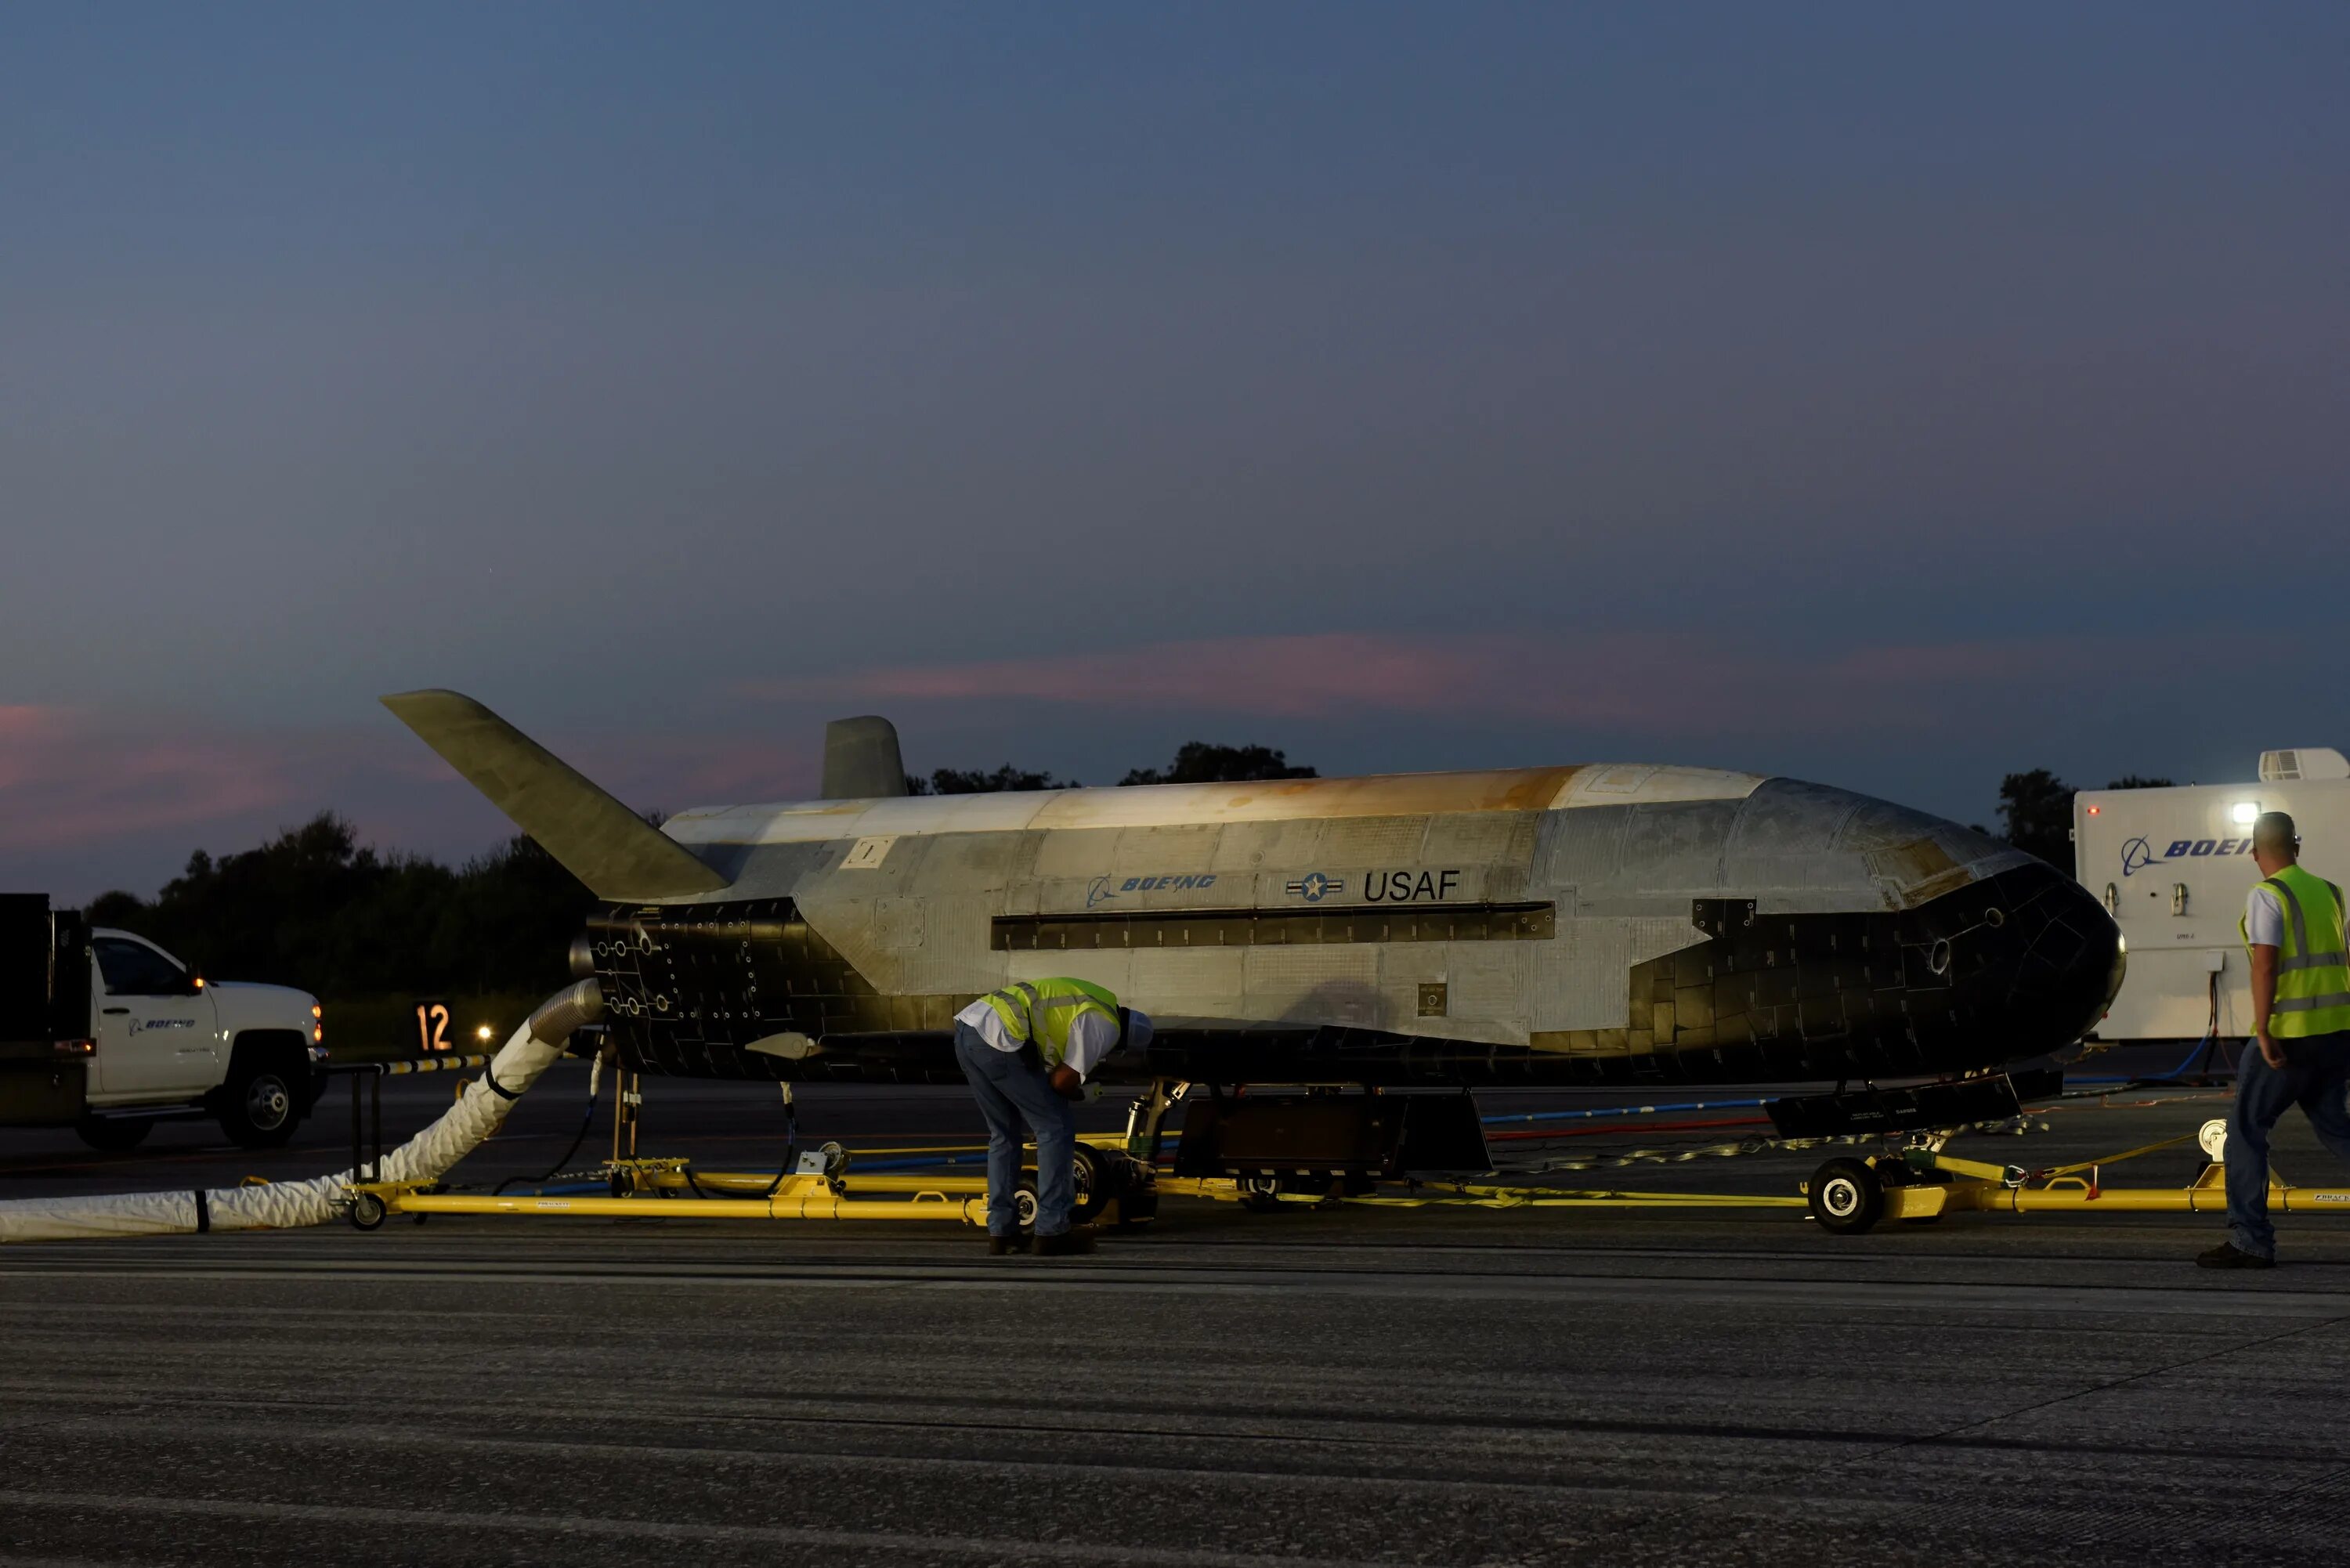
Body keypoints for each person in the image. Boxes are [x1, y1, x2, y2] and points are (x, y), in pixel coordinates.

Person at [2200, 811, 2350, 1269]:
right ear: (2297, 847)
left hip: (2289, 1037)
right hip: (2336, 1033)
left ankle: (2251, 1240)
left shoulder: (2268, 895)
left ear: (2254, 853)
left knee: (2245, 1131)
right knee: (2337, 1128)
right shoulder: (2330, 893)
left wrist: (2262, 1030)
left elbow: (2265, 963)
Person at [953, 977, 1152, 1256]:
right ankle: (1052, 1230)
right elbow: (1062, 1081)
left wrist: (1066, 1087)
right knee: (1055, 1128)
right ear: (1123, 1040)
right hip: (1000, 1038)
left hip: (969, 1029)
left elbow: (1047, 1073)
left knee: (1004, 1134)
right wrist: (1082, 1093)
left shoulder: (1094, 997)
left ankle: (1002, 1231)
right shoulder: (1107, 1025)